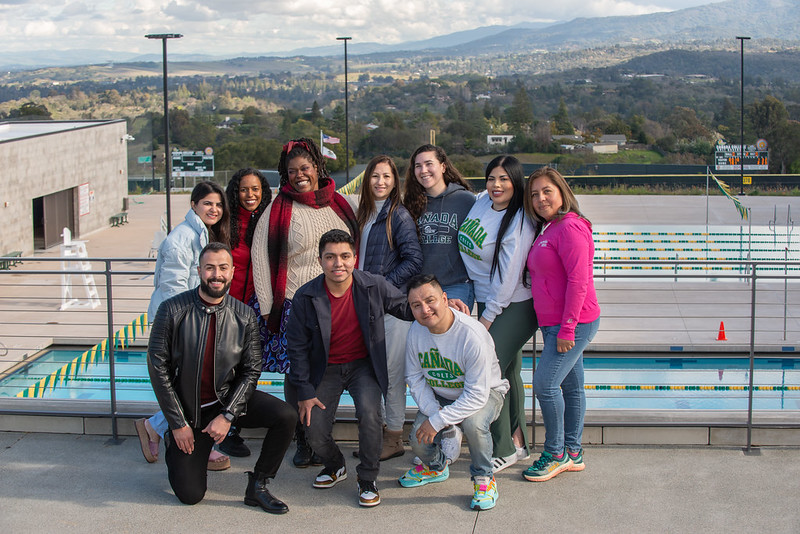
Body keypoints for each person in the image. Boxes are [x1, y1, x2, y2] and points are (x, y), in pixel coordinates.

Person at [147, 242, 296, 513]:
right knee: (190, 495)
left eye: (223, 268)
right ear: (199, 271)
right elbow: (158, 367)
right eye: (210, 268)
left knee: (285, 415)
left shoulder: (244, 315)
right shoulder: (172, 310)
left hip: (226, 403)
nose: (216, 274)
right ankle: (174, 442)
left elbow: (252, 370)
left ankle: (259, 485)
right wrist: (177, 423)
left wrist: (228, 416)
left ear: (232, 272)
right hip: (189, 413)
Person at [285, 230, 414, 507]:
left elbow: (406, 307)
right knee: (314, 429)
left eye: (345, 256)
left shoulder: (373, 285)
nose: (338, 263)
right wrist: (305, 391)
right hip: (326, 368)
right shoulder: (305, 297)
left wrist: (436, 305)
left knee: (369, 415)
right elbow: (296, 348)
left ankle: (367, 478)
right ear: (320, 260)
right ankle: (334, 465)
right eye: (330, 257)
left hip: (362, 366)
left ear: (355, 258)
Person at [251, 138, 358, 468]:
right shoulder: (278, 209)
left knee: (328, 370)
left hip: (338, 303)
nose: (300, 175)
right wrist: (269, 309)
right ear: (285, 174)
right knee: (298, 374)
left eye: (306, 169)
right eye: (293, 171)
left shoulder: (340, 205)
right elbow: (260, 258)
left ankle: (320, 435)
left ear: (318, 168)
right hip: (294, 305)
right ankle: (302, 438)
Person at [136, 181, 232, 471]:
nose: (214, 209)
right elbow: (173, 287)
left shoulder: (200, 233)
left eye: (218, 204)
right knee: (190, 385)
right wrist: (185, 327)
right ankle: (160, 428)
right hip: (182, 324)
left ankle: (158, 428)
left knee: (196, 384)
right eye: (207, 203)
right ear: (193, 205)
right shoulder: (182, 237)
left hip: (197, 319)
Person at [399, 274, 509, 511]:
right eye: (416, 305)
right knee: (418, 438)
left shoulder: (471, 334)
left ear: (445, 298)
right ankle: (436, 467)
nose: (425, 310)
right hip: (442, 395)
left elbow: (477, 394)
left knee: (473, 425)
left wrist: (439, 420)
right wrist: (434, 413)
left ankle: (484, 478)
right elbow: (415, 378)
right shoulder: (416, 332)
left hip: (486, 393)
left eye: (430, 301)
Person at [458, 155, 537, 473]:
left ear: (516, 182)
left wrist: (486, 320)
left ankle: (503, 447)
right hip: (487, 301)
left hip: (513, 305)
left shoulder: (519, 221)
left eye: (504, 179)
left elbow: (507, 281)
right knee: (508, 372)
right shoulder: (480, 202)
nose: (496, 185)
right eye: (491, 178)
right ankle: (519, 444)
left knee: (489, 375)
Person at [521, 167, 600, 482]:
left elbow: (579, 282)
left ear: (561, 192)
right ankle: (573, 451)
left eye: (546, 191)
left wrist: (567, 329)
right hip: (554, 323)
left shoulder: (569, 228)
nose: (540, 199)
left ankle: (555, 453)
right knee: (571, 386)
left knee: (545, 384)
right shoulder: (549, 227)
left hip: (574, 322)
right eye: (535, 194)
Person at [356, 155, 423, 460]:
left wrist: (382, 286)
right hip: (367, 307)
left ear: (395, 182)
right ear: (366, 180)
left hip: (392, 310)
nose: (381, 182)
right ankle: (378, 435)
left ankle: (394, 438)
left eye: (387, 176)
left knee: (392, 375)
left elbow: (414, 260)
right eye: (375, 176)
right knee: (373, 373)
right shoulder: (365, 215)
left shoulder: (399, 216)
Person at [215, 168, 273, 458]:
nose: (250, 195)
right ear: (234, 192)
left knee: (249, 368)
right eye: (243, 190)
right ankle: (228, 431)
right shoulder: (225, 223)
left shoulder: (267, 220)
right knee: (226, 369)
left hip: (252, 310)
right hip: (225, 308)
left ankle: (235, 423)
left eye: (255, 189)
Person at [403, 144, 475, 313]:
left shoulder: (466, 200)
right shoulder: (410, 204)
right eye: (418, 166)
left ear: (443, 166)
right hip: (422, 286)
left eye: (429, 164)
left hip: (456, 284)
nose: (423, 170)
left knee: (449, 333)